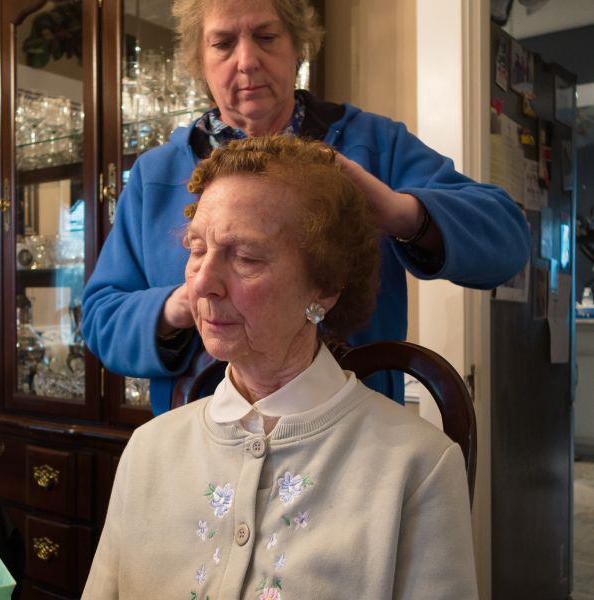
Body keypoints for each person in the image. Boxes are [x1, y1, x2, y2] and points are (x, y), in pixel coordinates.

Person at [81, 0, 529, 415]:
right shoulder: (154, 174)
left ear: (298, 45)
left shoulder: (373, 146)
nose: (247, 60)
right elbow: (102, 318)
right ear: (199, 60)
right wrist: (185, 303)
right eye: (222, 43)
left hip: (351, 436)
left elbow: (507, 241)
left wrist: (399, 213)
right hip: (204, 444)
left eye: (267, 37)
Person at [82, 136, 478, 599]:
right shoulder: (148, 451)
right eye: (195, 249)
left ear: (324, 287)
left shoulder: (418, 467)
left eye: (245, 257)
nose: (201, 284)